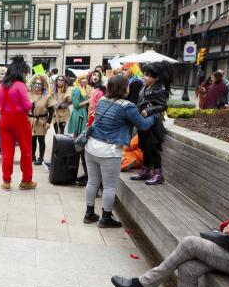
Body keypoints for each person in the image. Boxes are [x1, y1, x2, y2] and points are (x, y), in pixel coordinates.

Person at [83, 75, 156, 227]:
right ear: (124, 88)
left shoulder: (102, 100)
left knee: (92, 181)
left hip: (91, 147)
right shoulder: (126, 106)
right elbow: (142, 125)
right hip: (109, 151)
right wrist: (154, 116)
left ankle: (89, 214)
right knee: (109, 186)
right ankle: (106, 218)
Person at [0, 56, 36, 190]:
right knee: (26, 150)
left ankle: (6, 181)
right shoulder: (20, 86)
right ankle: (26, 180)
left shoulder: (0, 86)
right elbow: (26, 105)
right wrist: (32, 102)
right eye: (25, 72)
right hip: (20, 120)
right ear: (20, 72)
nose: (25, 75)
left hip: (4, 120)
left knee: (6, 152)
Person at [130, 62, 171, 185]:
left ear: (156, 78)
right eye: (144, 74)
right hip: (143, 123)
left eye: (148, 75)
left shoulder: (159, 90)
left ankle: (158, 174)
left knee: (153, 149)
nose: (144, 77)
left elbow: (163, 106)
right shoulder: (145, 87)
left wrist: (148, 110)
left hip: (153, 124)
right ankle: (146, 171)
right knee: (144, 147)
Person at [67, 72, 91, 185]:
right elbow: (76, 105)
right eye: (82, 79)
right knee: (78, 138)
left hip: (83, 113)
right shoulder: (77, 90)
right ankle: (74, 160)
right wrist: (87, 101)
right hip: (79, 114)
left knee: (80, 138)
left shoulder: (84, 89)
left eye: (86, 79)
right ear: (79, 80)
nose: (84, 80)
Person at [28, 73, 55, 165]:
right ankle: (32, 156)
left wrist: (48, 122)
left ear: (43, 85)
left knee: (41, 140)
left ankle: (41, 158)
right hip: (30, 120)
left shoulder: (47, 96)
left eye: (40, 84)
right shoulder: (28, 95)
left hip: (42, 120)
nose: (37, 86)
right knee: (32, 140)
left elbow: (51, 110)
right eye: (35, 83)